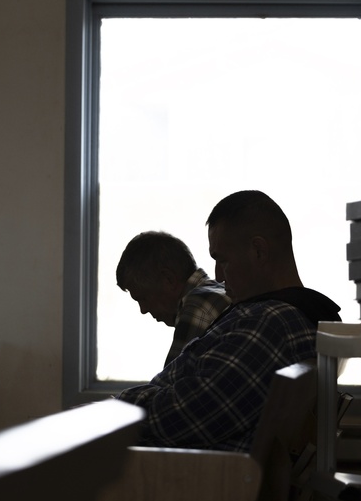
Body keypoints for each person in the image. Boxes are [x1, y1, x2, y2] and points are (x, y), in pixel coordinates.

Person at [117, 190, 341, 452]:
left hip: (199, 478)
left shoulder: (268, 323)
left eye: (222, 260)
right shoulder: (293, 314)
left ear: (258, 251)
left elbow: (192, 415)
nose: (218, 276)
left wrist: (116, 408)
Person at [116, 231, 232, 367]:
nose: (143, 309)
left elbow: (170, 384)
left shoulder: (198, 305)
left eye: (143, 298)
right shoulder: (217, 291)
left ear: (168, 279)